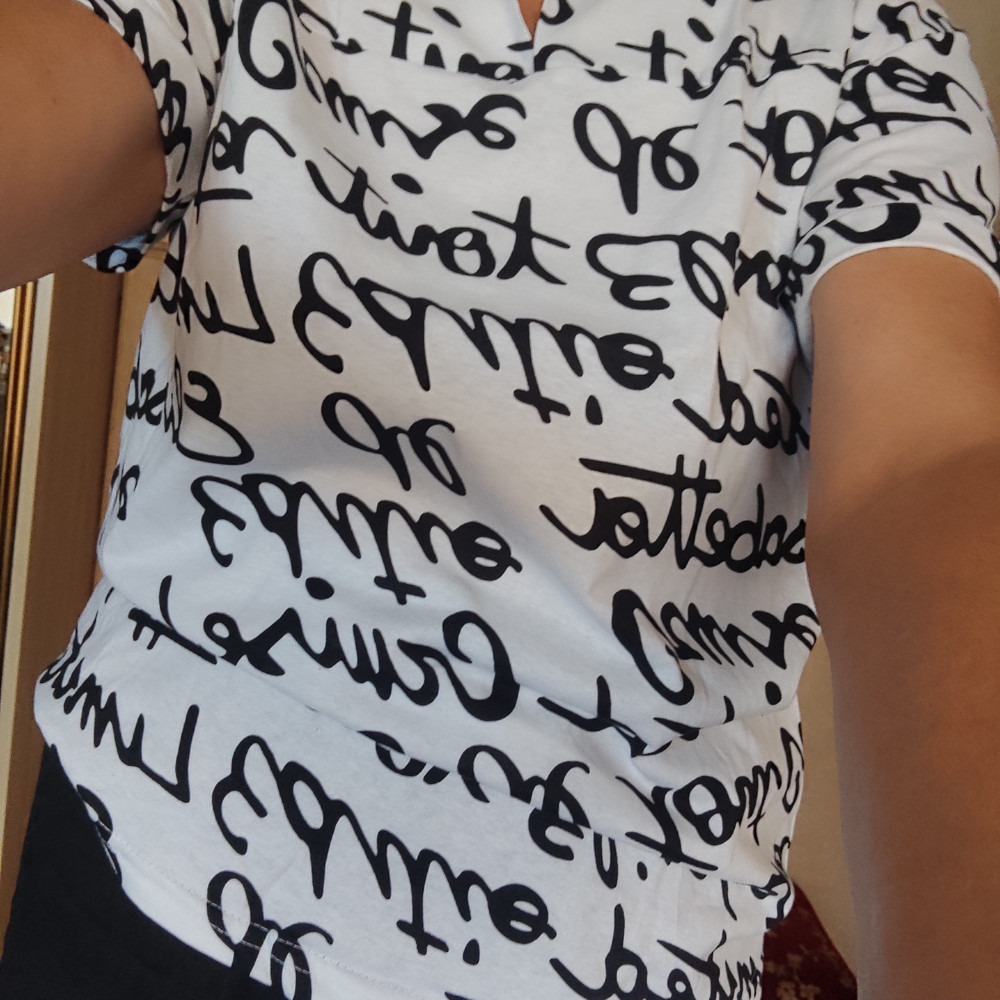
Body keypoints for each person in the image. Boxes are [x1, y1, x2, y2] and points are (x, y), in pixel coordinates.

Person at [1, 0, 998, 997]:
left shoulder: (869, 49)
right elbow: (61, 99)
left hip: (598, 954)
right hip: (130, 852)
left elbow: (927, 460)